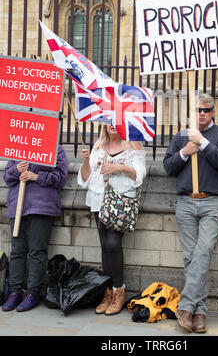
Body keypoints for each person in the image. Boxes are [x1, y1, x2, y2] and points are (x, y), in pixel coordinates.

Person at [163, 93, 218, 333]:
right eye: (198, 110)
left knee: (202, 253)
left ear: (213, 112)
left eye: (206, 110)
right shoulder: (181, 136)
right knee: (191, 259)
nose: (202, 113)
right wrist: (185, 150)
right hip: (185, 202)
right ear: (192, 112)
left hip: (213, 202)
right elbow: (168, 167)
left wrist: (203, 143)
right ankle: (199, 312)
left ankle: (186, 307)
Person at [78, 124, 146, 316]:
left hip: (120, 201)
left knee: (113, 242)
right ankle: (108, 291)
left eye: (116, 121)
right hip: (99, 199)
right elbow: (86, 178)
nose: (111, 125)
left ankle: (119, 291)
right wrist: (85, 162)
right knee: (104, 246)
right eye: (108, 121)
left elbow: (140, 174)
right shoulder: (98, 147)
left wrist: (121, 167)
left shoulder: (133, 145)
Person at [1, 145, 68, 312]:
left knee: (37, 251)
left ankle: (32, 293)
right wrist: (17, 169)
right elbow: (7, 178)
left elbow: (60, 177)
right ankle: (15, 292)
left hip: (42, 207)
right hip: (18, 206)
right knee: (17, 250)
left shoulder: (55, 148)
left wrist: (36, 176)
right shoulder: (18, 148)